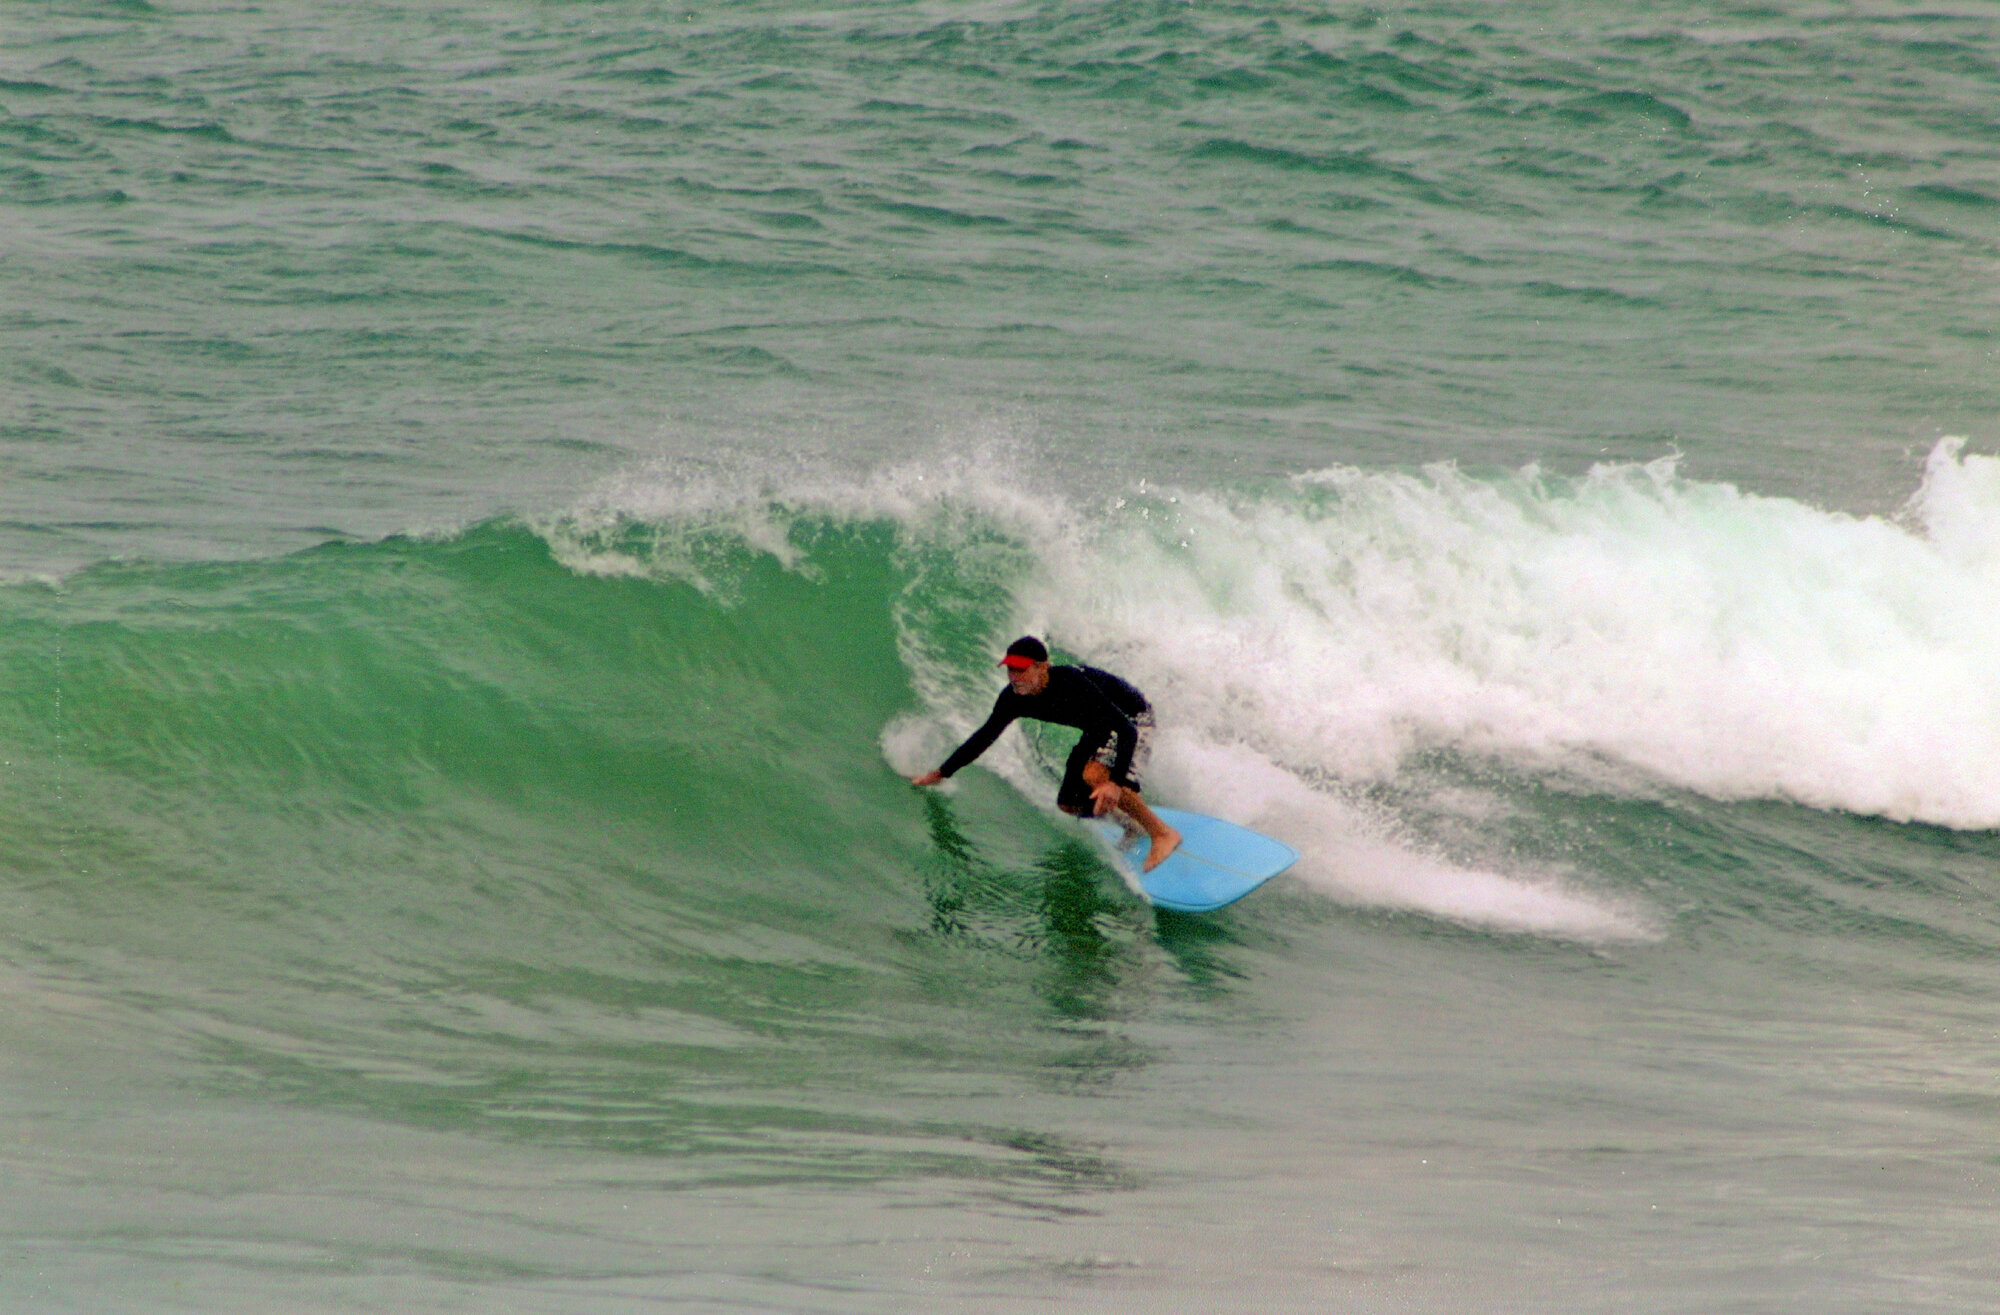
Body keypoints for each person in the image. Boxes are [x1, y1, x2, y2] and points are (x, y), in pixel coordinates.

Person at [910, 636, 1182, 871]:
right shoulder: (1013, 698)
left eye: (1021, 670)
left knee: (1096, 774)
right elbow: (984, 737)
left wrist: (1115, 783)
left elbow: (1125, 730)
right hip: (1097, 728)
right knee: (1068, 803)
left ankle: (1162, 833)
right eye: (1010, 670)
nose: (1014, 677)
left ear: (1043, 667)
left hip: (1132, 719)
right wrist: (942, 773)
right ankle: (1131, 821)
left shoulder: (1072, 683)